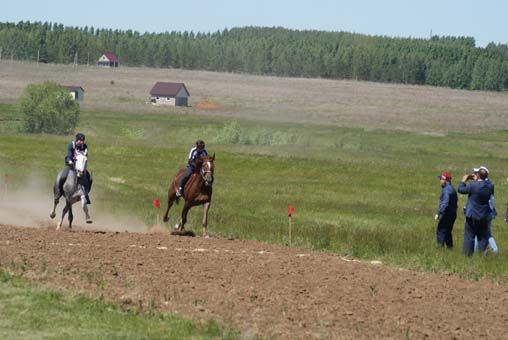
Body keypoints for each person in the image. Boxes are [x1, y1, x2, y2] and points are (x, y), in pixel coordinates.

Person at [457, 166, 493, 256]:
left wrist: (463, 181)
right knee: (482, 237)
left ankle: (467, 255)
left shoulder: (473, 185)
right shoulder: (490, 186)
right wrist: (478, 178)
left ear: (478, 176)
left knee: (469, 236)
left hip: (472, 215)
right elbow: (486, 182)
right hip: (484, 215)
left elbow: (460, 190)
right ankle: (482, 255)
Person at [59, 133, 92, 204]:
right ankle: (59, 191)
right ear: (77, 140)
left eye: (83, 140)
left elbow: (85, 156)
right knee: (63, 176)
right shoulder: (71, 145)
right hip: (70, 165)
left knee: (89, 178)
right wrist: (70, 161)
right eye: (80, 140)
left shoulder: (84, 146)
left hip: (80, 167)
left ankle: (86, 194)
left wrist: (84, 166)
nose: (82, 142)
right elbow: (69, 155)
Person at [434, 171, 458, 248]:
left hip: (447, 214)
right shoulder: (452, 189)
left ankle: (440, 249)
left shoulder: (447, 190)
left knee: (440, 231)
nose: (440, 181)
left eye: (441, 179)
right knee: (447, 232)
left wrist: (438, 213)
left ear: (445, 180)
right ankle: (450, 248)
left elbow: (445, 203)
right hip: (452, 214)